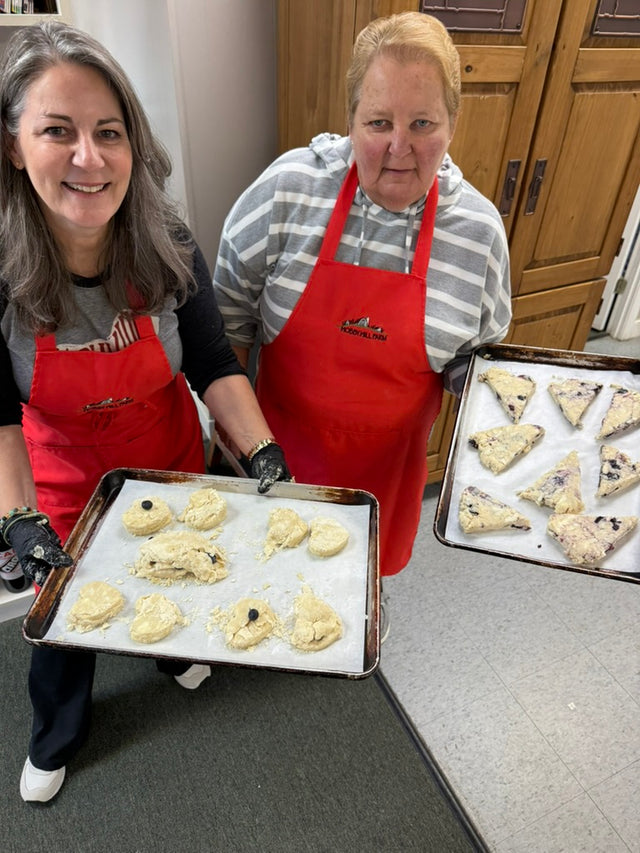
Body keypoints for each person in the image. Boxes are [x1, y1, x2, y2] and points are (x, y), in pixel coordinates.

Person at [0, 20, 290, 803]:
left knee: (181, 577)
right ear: (14, 145)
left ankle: (170, 652)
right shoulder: (1, 268)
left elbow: (212, 364)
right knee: (67, 625)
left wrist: (261, 450)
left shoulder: (166, 241)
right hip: (65, 487)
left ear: (134, 145)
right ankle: (58, 731)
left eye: (108, 132)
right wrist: (18, 518)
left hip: (167, 457)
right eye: (57, 131)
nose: (88, 158)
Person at [213, 12, 511, 577]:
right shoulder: (287, 193)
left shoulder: (477, 234)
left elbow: (478, 369)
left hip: (386, 480)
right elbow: (225, 329)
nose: (399, 147)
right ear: (350, 121)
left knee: (355, 591)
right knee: (266, 583)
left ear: (453, 124)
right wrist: (230, 449)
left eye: (423, 123)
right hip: (272, 458)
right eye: (378, 122)